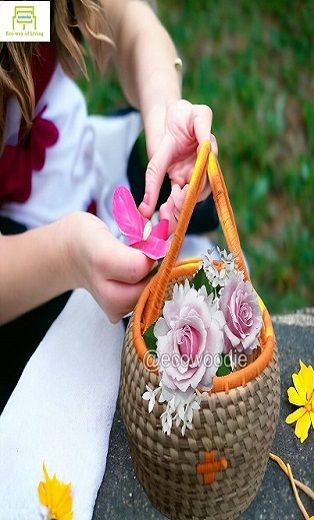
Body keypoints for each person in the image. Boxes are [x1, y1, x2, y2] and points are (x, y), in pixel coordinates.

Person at [0, 0, 218, 411]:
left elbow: (130, 22)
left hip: (78, 174)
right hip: (24, 277)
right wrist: (67, 256)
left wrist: (163, 113)